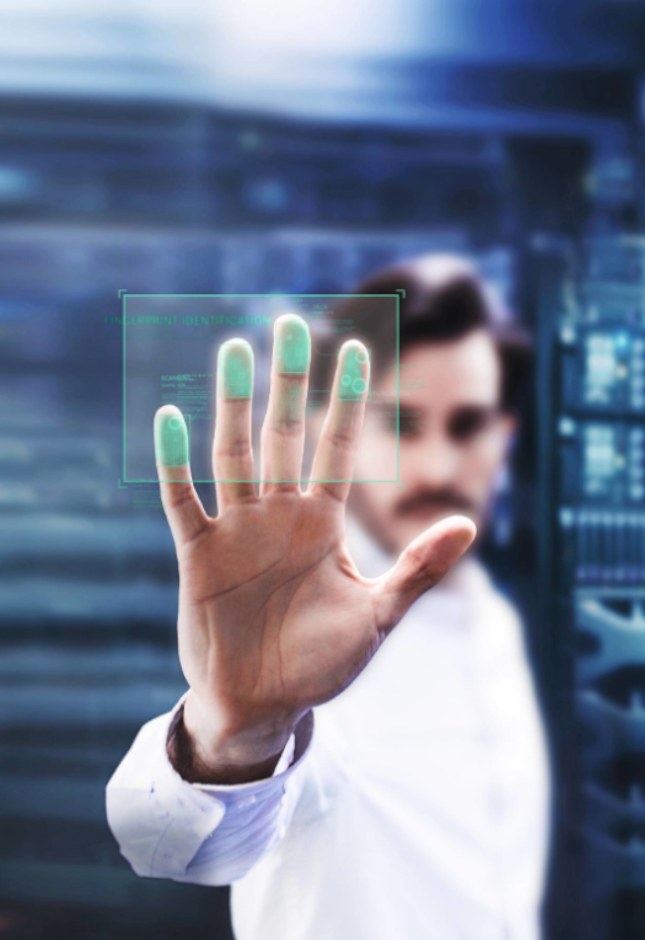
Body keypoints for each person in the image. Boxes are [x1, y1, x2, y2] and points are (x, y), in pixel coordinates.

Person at [105, 255, 552, 940]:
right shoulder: (316, 638)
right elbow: (163, 842)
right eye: (400, 424)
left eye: (466, 425)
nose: (436, 466)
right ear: (321, 428)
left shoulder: (495, 622)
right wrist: (236, 733)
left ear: (506, 436)